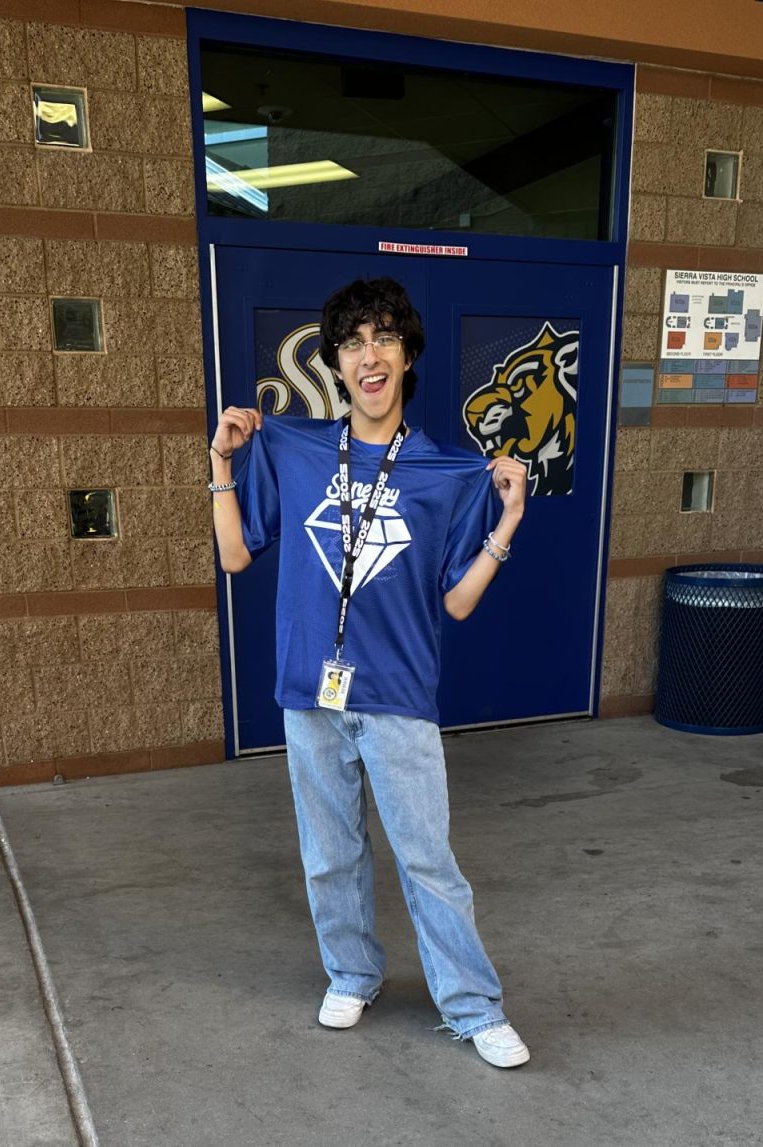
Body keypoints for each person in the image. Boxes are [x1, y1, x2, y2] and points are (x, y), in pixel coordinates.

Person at [208, 277, 530, 1069]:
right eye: (353, 342)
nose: (369, 354)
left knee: (427, 858)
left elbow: (455, 603)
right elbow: (235, 552)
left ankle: (474, 1004)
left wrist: (509, 521)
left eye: (384, 337)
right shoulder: (295, 447)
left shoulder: (447, 474)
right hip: (307, 690)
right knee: (328, 852)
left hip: (398, 695)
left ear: (408, 355)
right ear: (338, 366)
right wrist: (221, 463)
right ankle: (352, 972)